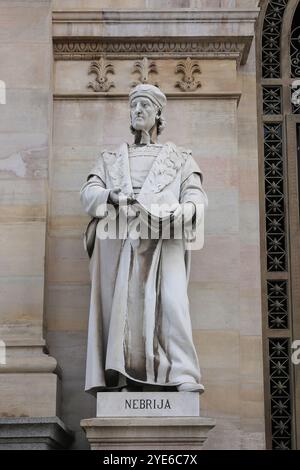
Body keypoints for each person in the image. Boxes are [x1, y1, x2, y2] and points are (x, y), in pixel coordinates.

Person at [80, 84, 208, 394]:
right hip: (122, 237)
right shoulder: (111, 159)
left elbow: (196, 197)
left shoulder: (180, 158)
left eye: (144, 106)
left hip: (165, 237)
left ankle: (182, 374)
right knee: (126, 311)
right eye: (133, 106)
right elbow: (88, 194)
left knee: (173, 304)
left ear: (158, 114)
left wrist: (183, 211)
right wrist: (111, 195)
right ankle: (125, 379)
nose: (137, 111)